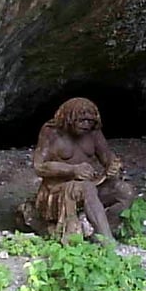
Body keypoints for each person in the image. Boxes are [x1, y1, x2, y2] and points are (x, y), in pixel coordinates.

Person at [29, 97, 134, 243]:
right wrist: (72, 170)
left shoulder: (93, 133)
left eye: (90, 121)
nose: (86, 125)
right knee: (87, 188)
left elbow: (108, 156)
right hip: (57, 190)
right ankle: (107, 241)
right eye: (82, 120)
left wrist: (112, 166)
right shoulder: (51, 132)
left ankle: (104, 229)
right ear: (69, 118)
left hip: (88, 186)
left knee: (124, 190)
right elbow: (39, 166)